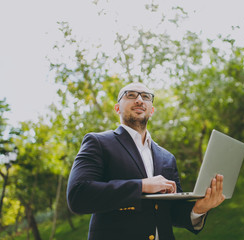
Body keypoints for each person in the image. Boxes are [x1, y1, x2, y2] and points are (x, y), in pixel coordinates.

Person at [66, 82, 225, 240]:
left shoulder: (167, 158)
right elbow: (78, 194)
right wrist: (142, 185)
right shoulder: (98, 142)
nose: (139, 100)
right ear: (117, 108)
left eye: (146, 97)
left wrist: (200, 208)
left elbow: (171, 212)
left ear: (152, 110)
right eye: (131, 95)